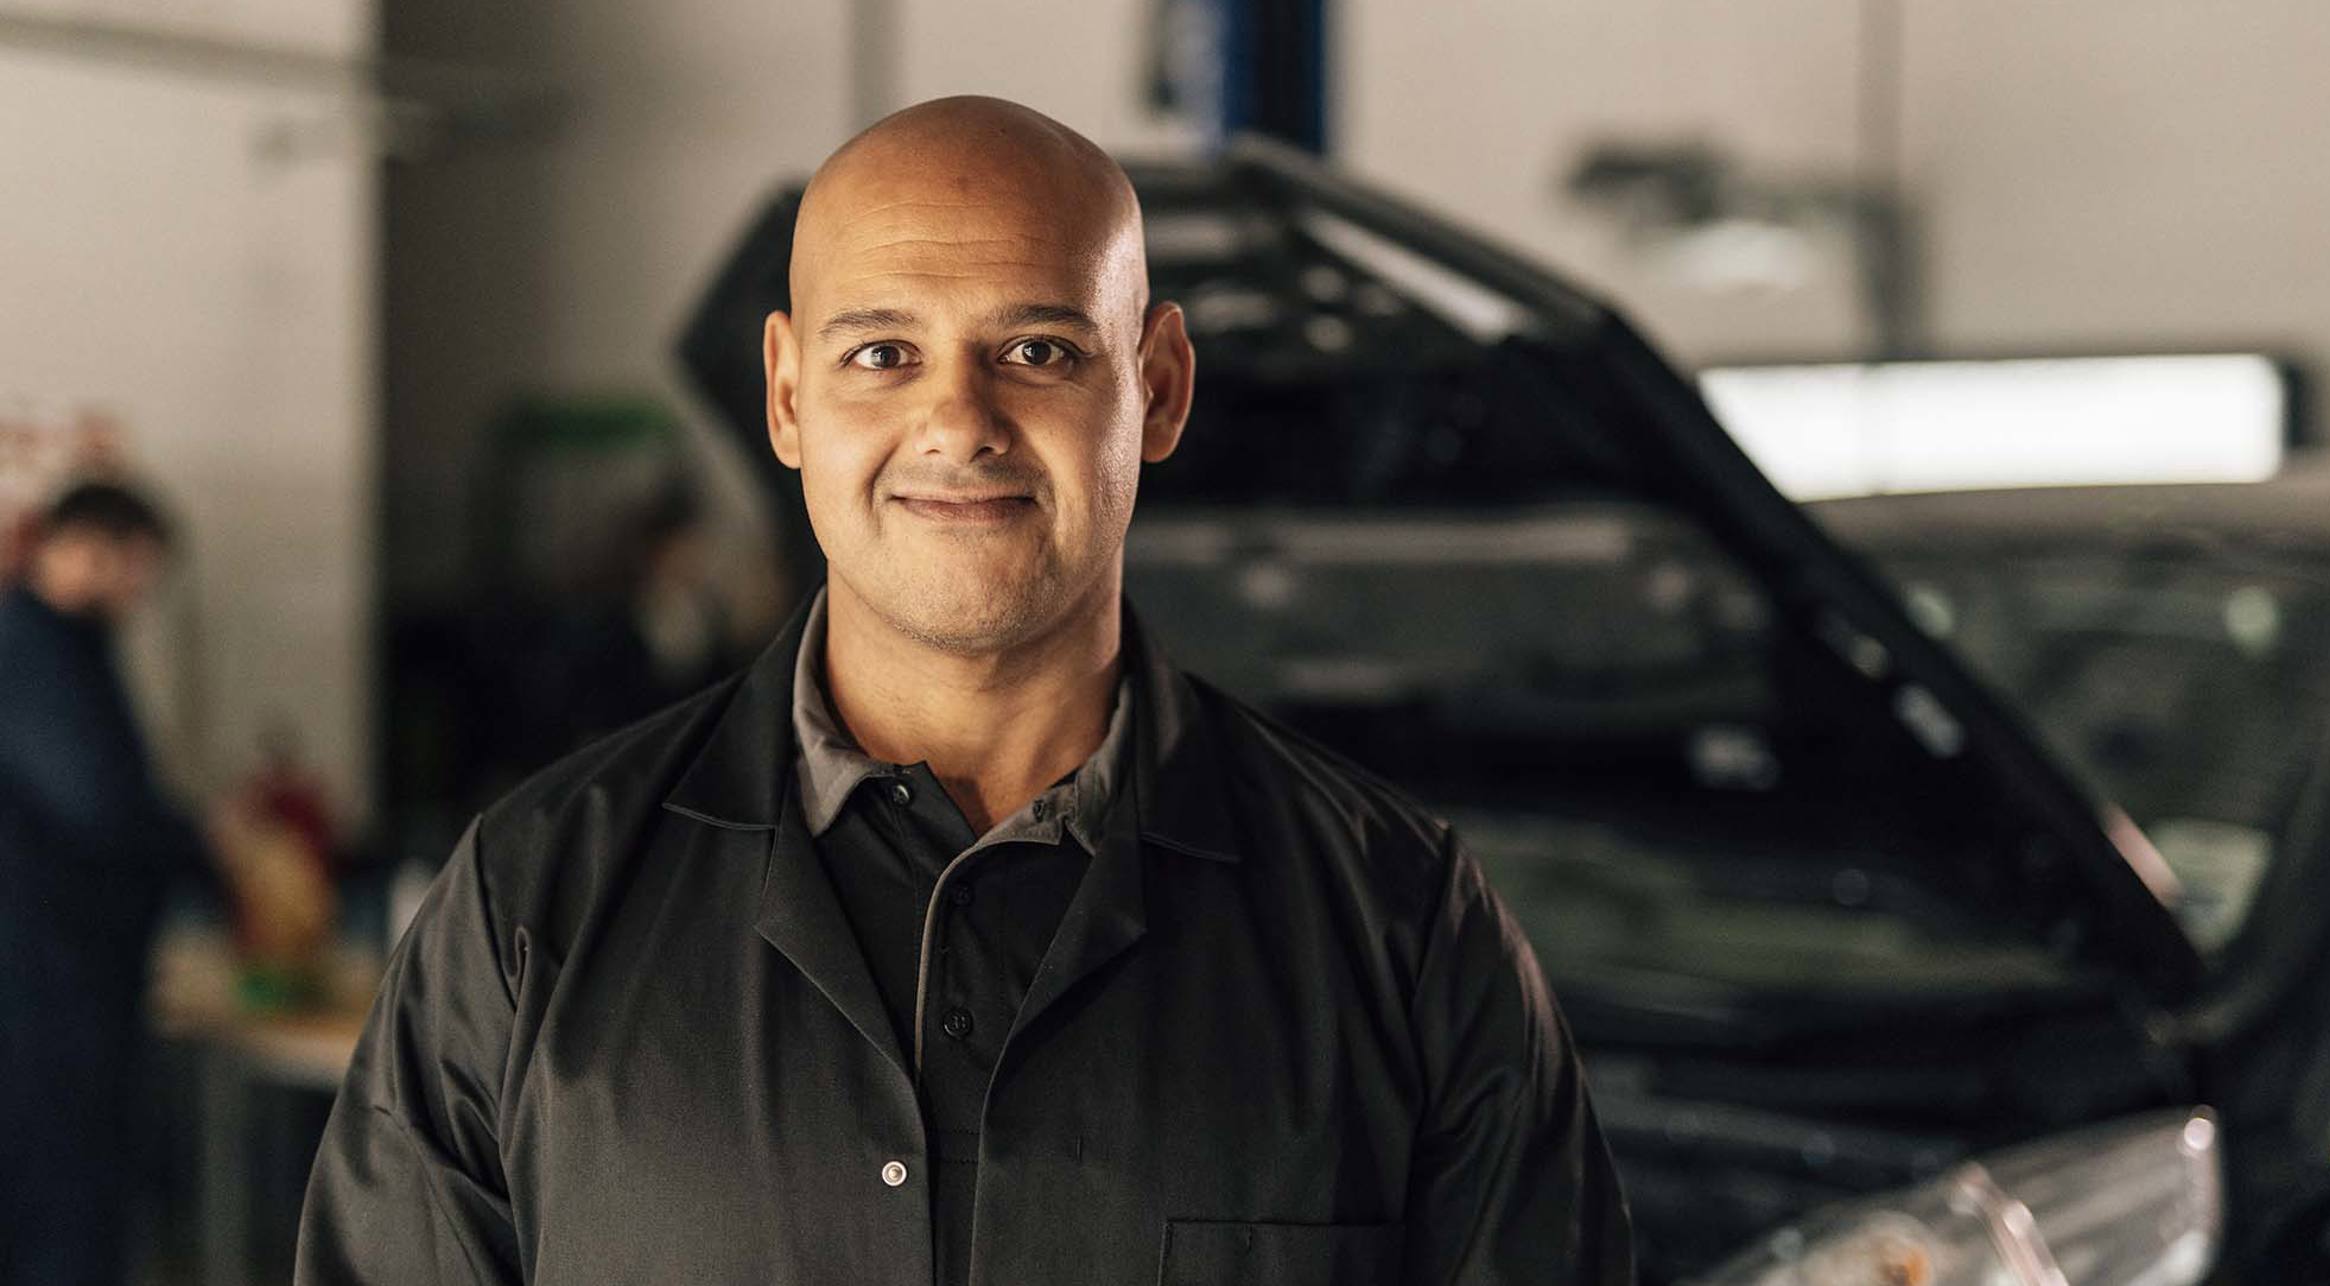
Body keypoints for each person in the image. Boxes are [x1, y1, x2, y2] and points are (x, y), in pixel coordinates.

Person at [298, 96, 1633, 1283]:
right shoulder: (531, 909)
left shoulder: (1397, 929)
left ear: (1157, 386)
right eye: (881, 353)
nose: (958, 419)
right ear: (784, 394)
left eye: (1037, 350)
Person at [0, 480, 228, 1285]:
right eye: (137, 572)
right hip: (47, 994)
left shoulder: (63, 647)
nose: (140, 595)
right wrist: (209, 844)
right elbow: (102, 805)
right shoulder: (32, 647)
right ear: (90, 548)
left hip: (63, 982)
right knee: (65, 1219)